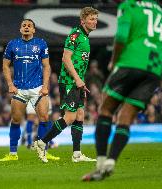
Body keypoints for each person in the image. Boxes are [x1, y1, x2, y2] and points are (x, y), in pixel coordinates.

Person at [82, 0, 162, 181]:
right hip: (153, 69)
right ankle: (112, 161)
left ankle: (101, 163)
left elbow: (121, 37)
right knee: (126, 117)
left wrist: (114, 61)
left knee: (105, 109)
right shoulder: (160, 11)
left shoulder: (129, 6)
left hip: (130, 62)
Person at [32, 7, 99, 163]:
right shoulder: (75, 35)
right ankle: (41, 143)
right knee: (69, 117)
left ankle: (76, 154)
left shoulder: (85, 36)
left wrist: (81, 81)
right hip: (69, 81)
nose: (94, 22)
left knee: (80, 115)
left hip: (77, 81)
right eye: (91, 19)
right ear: (83, 20)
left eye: (96, 19)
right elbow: (66, 59)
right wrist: (77, 79)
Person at [0, 19, 59, 161]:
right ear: (20, 29)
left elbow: (47, 66)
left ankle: (43, 151)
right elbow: (5, 66)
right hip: (19, 89)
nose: (26, 27)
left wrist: (45, 86)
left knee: (44, 118)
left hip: (37, 88)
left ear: (33, 30)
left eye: (29, 26)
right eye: (24, 25)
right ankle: (13, 154)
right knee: (16, 120)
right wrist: (10, 84)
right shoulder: (12, 44)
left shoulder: (41, 43)